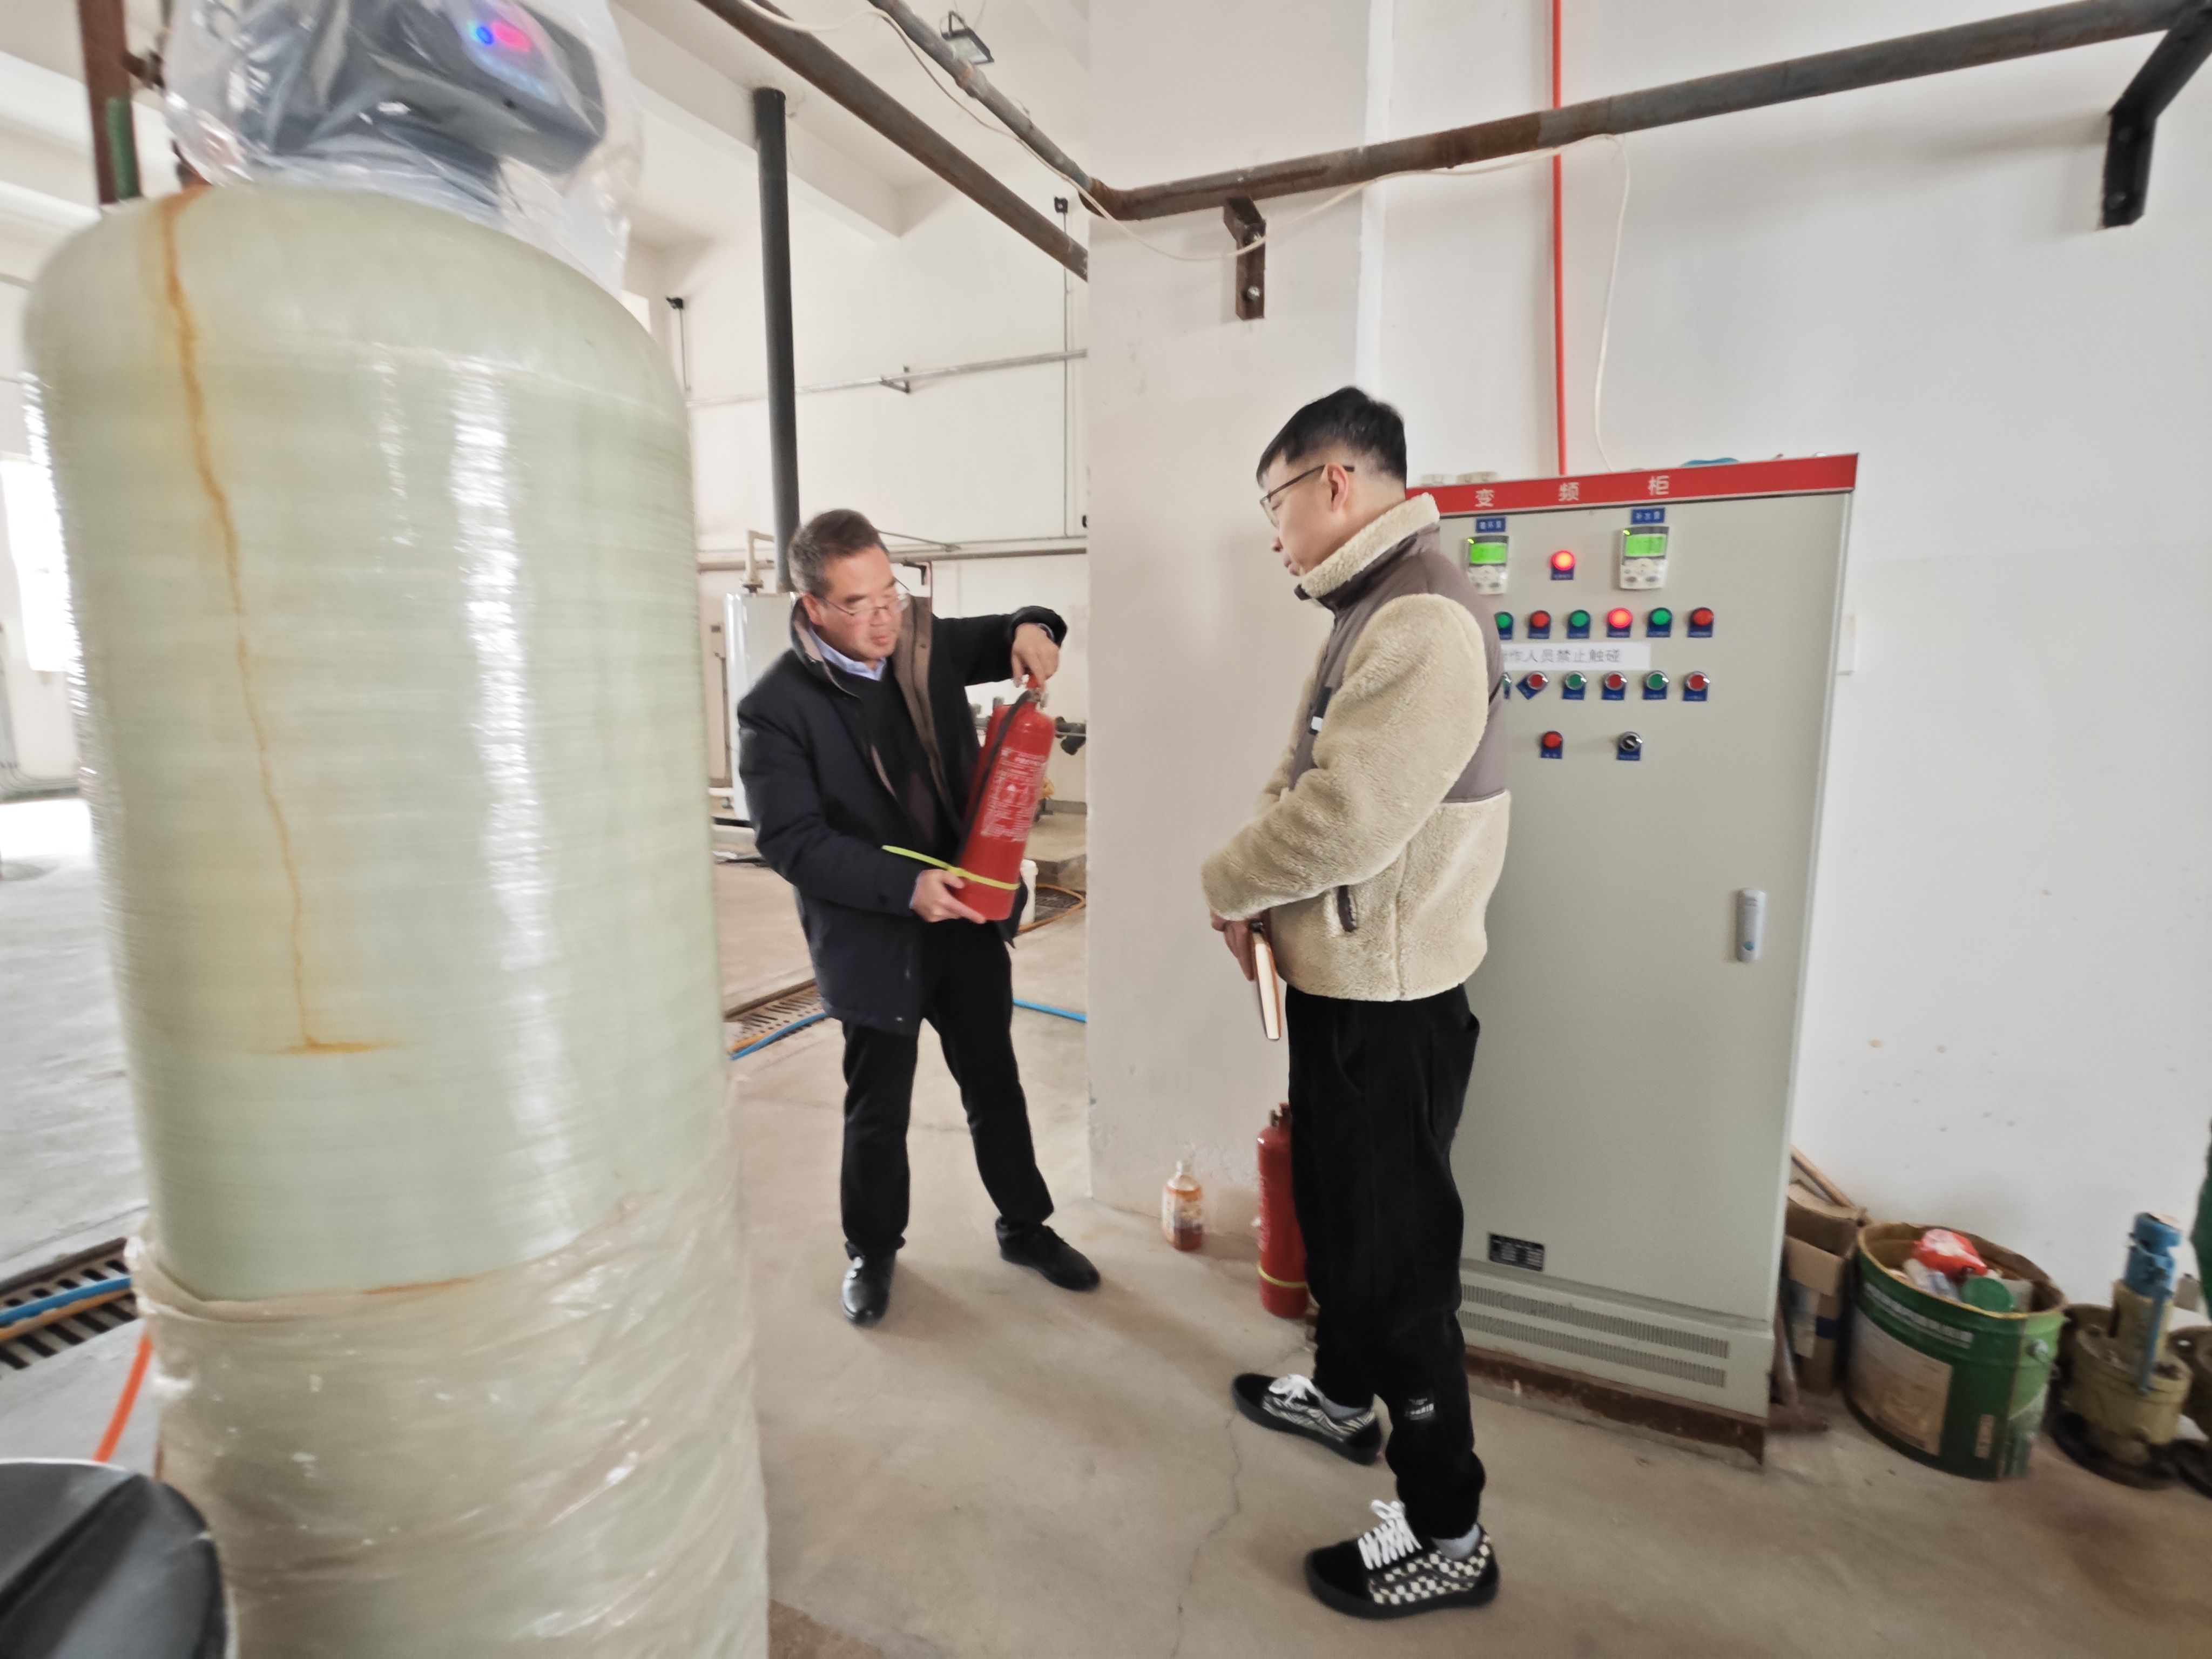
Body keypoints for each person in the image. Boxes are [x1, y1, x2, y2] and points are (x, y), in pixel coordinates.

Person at [1199, 387, 1510, 1621]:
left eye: (1274, 503)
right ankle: (1341, 1397)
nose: (1272, 533)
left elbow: (1346, 819)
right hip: (1343, 983)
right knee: (1337, 1217)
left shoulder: (1421, 620)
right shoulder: (1364, 608)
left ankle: (1447, 1530)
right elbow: (1299, 776)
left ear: (1333, 483)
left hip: (1391, 1002)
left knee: (1399, 1274)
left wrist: (1225, 885)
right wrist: (1254, 894)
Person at [737, 508, 1100, 1326]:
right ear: (812, 605)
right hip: (874, 939)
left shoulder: (919, 645)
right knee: (878, 1109)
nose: (882, 619)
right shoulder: (777, 708)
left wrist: (1035, 628)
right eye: (857, 605)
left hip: (966, 920)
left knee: (995, 1084)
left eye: (889, 595)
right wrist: (906, 888)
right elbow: (793, 841)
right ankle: (872, 1250)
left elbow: (1014, 629)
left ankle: (1026, 1225)